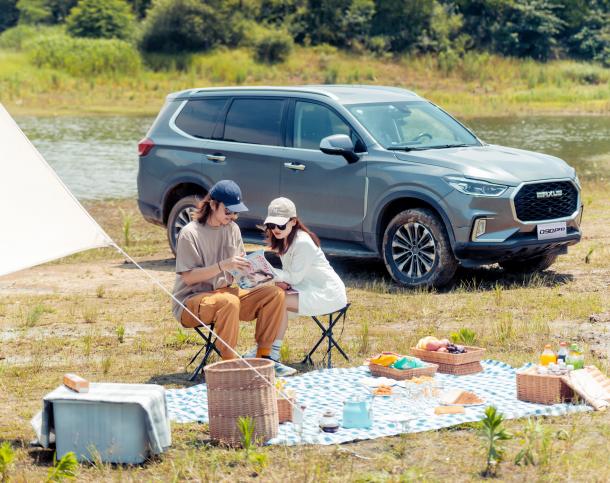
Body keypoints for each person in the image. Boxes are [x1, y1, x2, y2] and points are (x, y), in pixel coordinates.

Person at [171, 180, 289, 372]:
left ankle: (265, 359)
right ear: (212, 204)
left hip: (227, 293)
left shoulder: (232, 229)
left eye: (236, 212)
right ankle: (230, 366)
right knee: (229, 302)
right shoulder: (189, 233)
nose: (233, 216)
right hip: (191, 303)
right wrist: (222, 265)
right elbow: (189, 278)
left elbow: (240, 270)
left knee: (274, 295)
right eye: (228, 211)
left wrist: (258, 273)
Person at [244, 197, 347, 363]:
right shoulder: (285, 239)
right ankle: (265, 349)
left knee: (278, 300)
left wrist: (267, 272)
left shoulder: (302, 242)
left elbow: (294, 277)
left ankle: (271, 353)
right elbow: (291, 276)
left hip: (326, 293)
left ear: (293, 221)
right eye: (271, 225)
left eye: (281, 224)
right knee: (274, 298)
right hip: (305, 288)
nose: (275, 229)